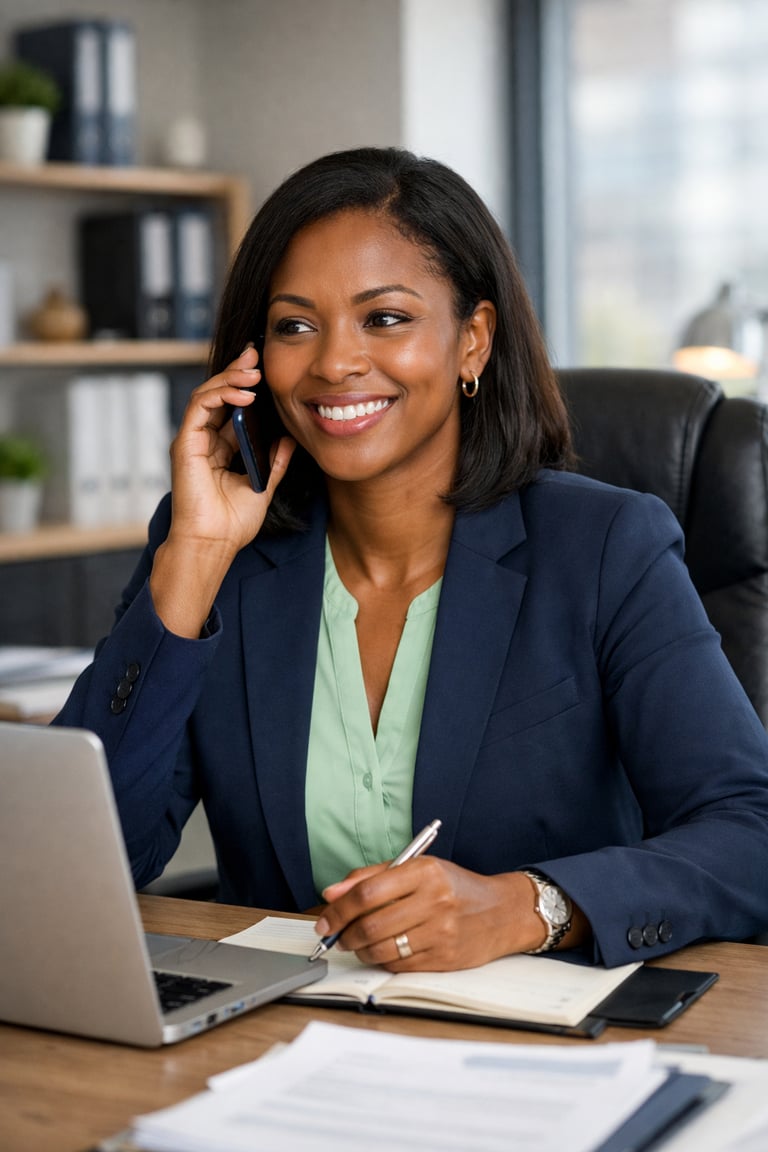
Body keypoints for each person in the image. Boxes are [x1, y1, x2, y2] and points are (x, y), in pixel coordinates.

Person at [55, 146, 768, 972]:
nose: (334, 363)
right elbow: (87, 863)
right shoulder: (221, 559)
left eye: (384, 318)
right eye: (294, 326)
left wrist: (528, 906)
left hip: (537, 1049)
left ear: (473, 340)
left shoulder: (607, 548)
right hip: (283, 1042)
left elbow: (748, 832)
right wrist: (195, 561)